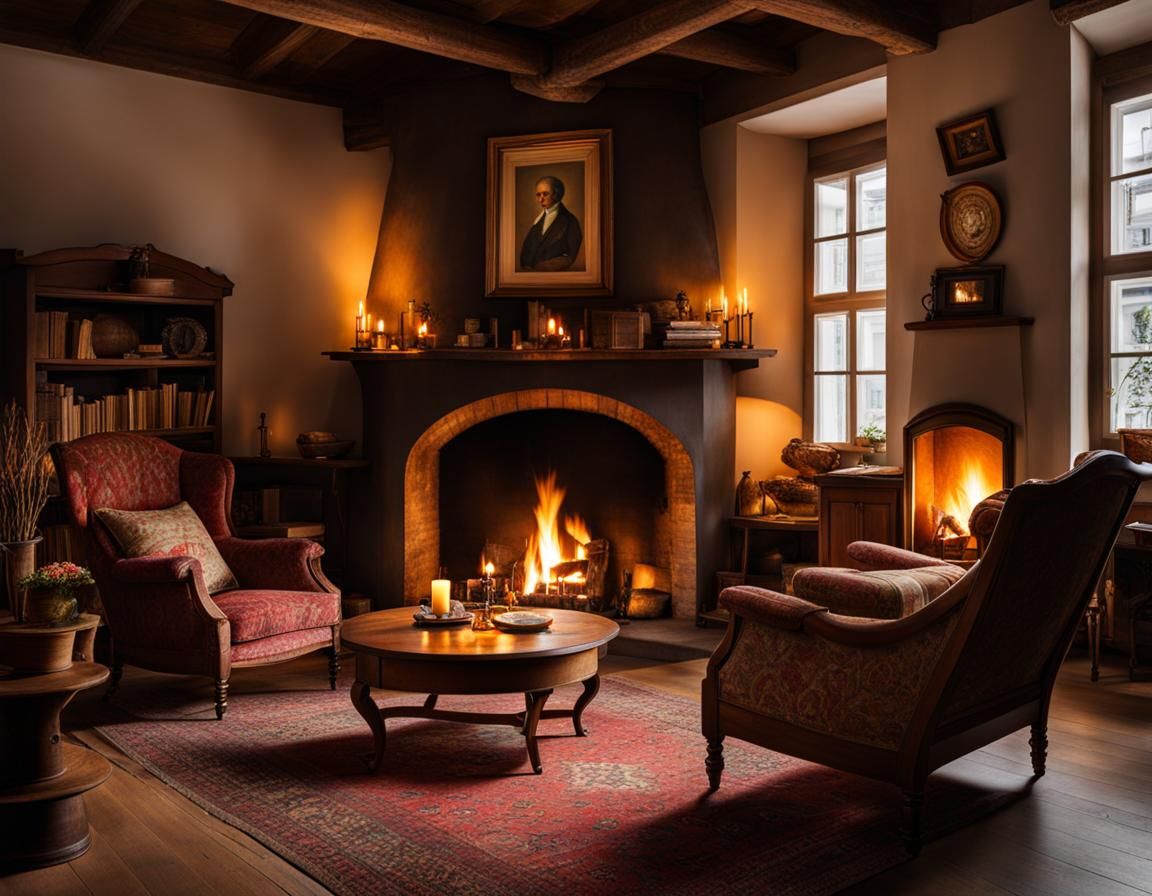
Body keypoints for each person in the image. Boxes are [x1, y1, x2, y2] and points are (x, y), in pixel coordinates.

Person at [519, 175, 583, 271]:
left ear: (556, 194)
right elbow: (526, 250)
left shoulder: (570, 221)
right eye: (538, 195)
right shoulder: (538, 221)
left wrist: (541, 268)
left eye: (545, 194)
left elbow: (570, 256)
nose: (540, 199)